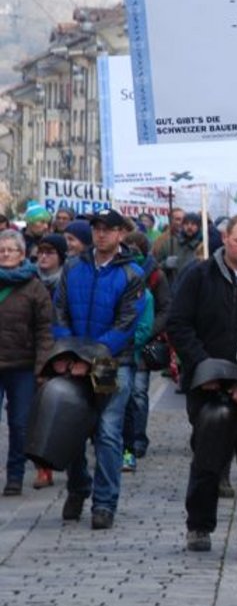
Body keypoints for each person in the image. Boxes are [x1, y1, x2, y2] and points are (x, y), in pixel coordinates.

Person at [168, 215, 237, 564]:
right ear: (225, 239)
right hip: (208, 384)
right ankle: (199, 525)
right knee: (208, 458)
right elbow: (178, 324)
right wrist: (204, 368)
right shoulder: (199, 275)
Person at [53, 209, 148, 529]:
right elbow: (60, 312)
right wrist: (68, 352)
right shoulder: (73, 266)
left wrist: (89, 359)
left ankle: (105, 502)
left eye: (108, 229)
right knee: (71, 427)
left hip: (110, 363)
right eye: (97, 229)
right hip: (74, 357)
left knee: (107, 432)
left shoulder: (132, 274)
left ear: (121, 234)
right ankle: (79, 486)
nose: (101, 234)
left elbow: (124, 327)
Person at [0, 229, 54, 496]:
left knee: (20, 424)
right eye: (2, 250)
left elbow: (45, 329)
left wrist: (42, 366)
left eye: (11, 250)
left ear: (22, 255)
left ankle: (15, 475)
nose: (6, 254)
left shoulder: (35, 287)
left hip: (22, 365)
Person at [121, 231, 172, 470]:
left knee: (138, 394)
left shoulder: (155, 276)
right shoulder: (117, 272)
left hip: (141, 343)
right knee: (115, 396)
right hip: (116, 345)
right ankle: (117, 442)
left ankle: (137, 440)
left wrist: (148, 331)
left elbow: (165, 308)